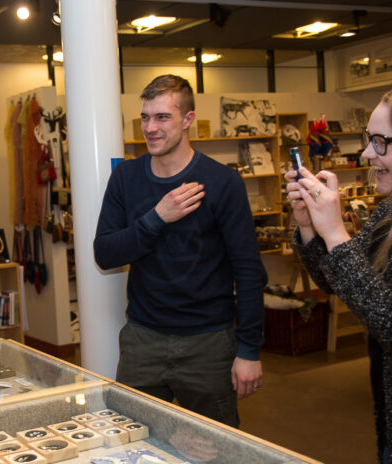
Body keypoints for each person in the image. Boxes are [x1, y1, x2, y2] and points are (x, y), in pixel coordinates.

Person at [93, 74, 267, 428]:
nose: (150, 128)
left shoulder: (222, 182)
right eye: (145, 117)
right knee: (133, 443)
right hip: (143, 340)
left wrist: (249, 349)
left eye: (162, 117)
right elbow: (105, 253)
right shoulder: (126, 178)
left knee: (214, 452)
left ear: (188, 120)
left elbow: (248, 270)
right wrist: (157, 217)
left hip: (209, 343)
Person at [285, 81, 392, 464]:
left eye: (379, 142)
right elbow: (336, 278)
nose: (365, 154)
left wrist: (336, 232)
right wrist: (310, 226)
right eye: (367, 140)